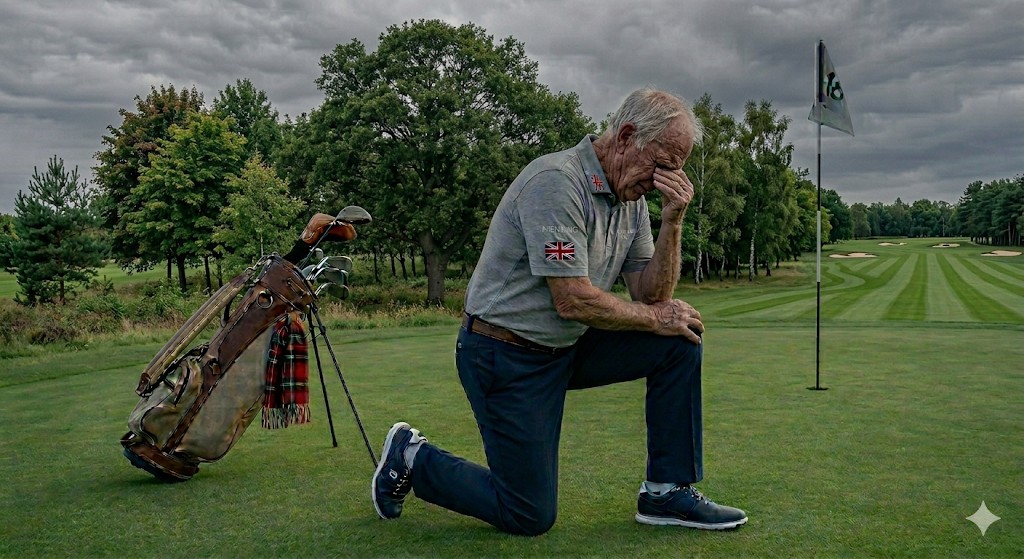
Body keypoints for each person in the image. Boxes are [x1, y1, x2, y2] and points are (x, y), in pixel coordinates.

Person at [371, 88, 747, 535]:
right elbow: (571, 299)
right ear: (626, 136)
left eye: (675, 170)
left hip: (566, 348)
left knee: (679, 340)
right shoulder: (557, 182)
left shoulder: (631, 203)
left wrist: (673, 220)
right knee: (528, 514)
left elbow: (652, 296)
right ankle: (411, 456)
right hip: (504, 354)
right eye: (662, 165)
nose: (666, 180)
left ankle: (666, 492)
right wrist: (657, 318)